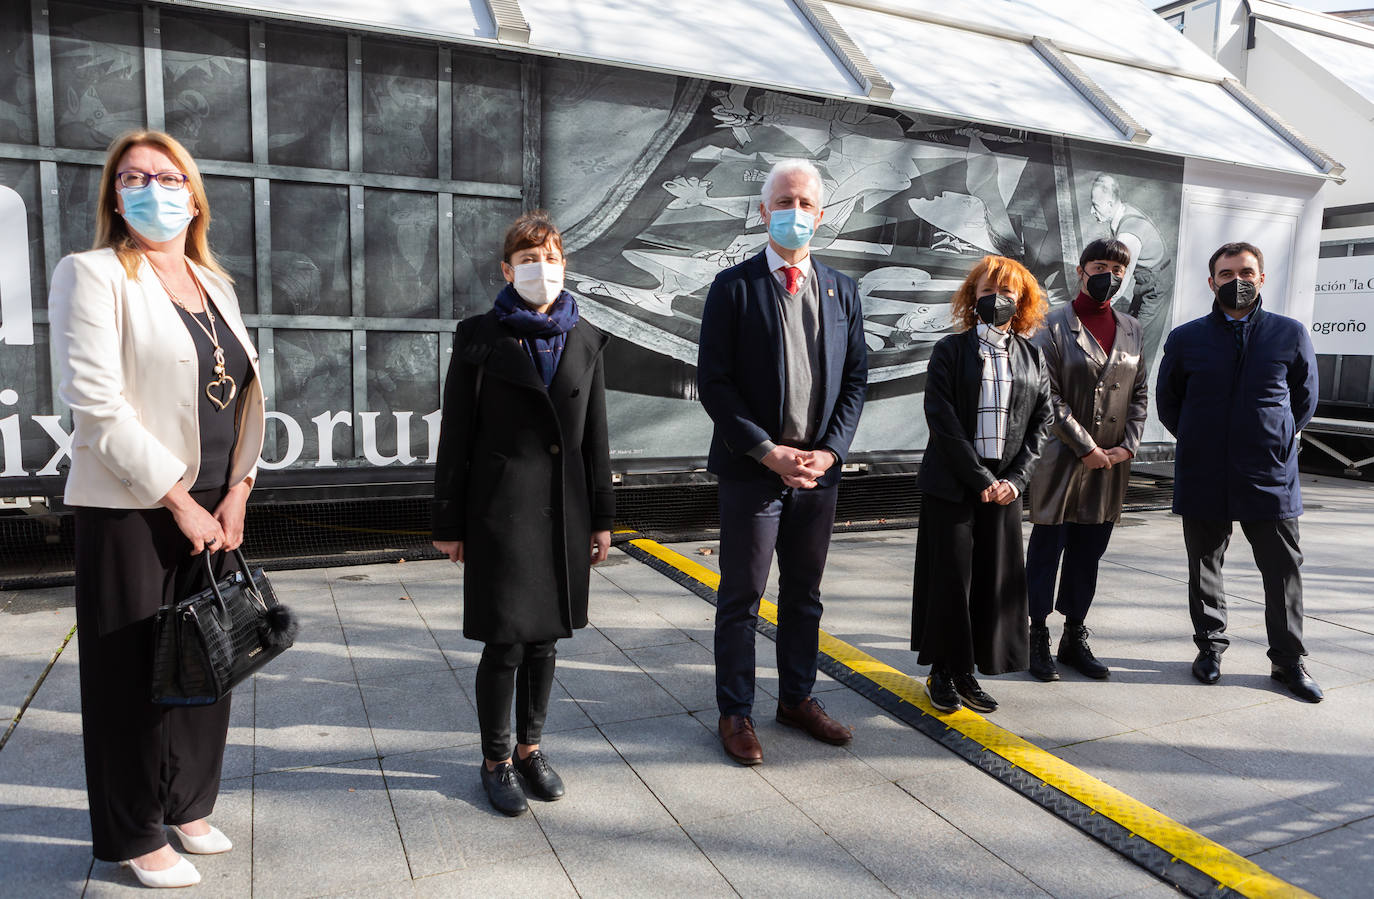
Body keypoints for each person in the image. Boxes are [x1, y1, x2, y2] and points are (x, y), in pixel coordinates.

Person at [48, 130, 265, 888]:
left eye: (168, 177)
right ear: (115, 195)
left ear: (194, 194)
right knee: (131, 673)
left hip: (214, 501)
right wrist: (177, 499)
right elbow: (96, 406)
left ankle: (186, 802)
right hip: (134, 506)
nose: (152, 188)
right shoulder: (94, 273)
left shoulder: (217, 284)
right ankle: (134, 830)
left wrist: (237, 490)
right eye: (133, 177)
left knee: (208, 656)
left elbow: (242, 396)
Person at [431, 210, 614, 815]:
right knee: (506, 641)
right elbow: (456, 433)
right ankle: (496, 758)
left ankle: (533, 749)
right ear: (508, 269)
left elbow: (596, 438)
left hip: (565, 510)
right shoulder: (479, 336)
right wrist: (449, 523)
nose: (543, 269)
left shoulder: (586, 337)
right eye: (530, 259)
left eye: (552, 257)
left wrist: (602, 516)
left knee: (545, 641)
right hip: (500, 512)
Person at [697, 158, 868, 765]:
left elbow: (855, 380)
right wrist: (769, 452)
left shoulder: (841, 289)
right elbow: (713, 383)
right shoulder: (733, 287)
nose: (796, 213)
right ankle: (735, 711)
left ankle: (797, 698)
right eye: (784, 202)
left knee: (805, 595)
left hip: (818, 475)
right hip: (754, 472)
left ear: (821, 215)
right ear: (764, 211)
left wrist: (828, 452)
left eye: (807, 204)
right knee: (741, 597)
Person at [1156, 242, 1322, 702]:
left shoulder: (1289, 333)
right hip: (1204, 469)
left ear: (1261, 278)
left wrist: (1275, 435)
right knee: (1205, 564)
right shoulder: (1186, 338)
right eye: (1226, 274)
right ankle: (1209, 649)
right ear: (1212, 282)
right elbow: (1169, 402)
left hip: (1268, 473)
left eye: (1246, 272)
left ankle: (1288, 662)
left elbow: (1304, 399)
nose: (1237, 281)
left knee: (1283, 568)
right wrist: (1198, 436)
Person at [911, 255, 1052, 714]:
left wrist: (1015, 479)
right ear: (973, 297)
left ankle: (967, 672)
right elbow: (942, 419)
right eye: (988, 291)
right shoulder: (949, 351)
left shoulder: (1033, 356)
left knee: (991, 583)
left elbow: (1042, 421)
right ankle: (941, 673)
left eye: (1007, 292)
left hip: (1005, 489)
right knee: (950, 581)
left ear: (1023, 300)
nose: (998, 299)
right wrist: (980, 478)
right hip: (954, 484)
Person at [1024, 239, 1149, 682]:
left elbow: (1139, 393)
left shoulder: (1131, 327)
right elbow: (1047, 393)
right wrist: (1087, 448)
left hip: (1112, 463)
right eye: (1100, 266)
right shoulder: (1052, 324)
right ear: (1081, 271)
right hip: (1062, 457)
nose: (1109, 275)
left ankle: (1073, 635)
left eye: (1118, 269)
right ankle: (1035, 633)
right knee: (1046, 550)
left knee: (1089, 553)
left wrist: (1126, 447)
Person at [1090, 174, 1171, 366]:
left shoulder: (1128, 236)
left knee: (1139, 340)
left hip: (1157, 286)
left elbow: (1121, 279)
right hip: (1146, 278)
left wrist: (1101, 306)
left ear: (1110, 204)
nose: (1091, 211)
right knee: (1132, 324)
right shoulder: (1121, 210)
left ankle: (1135, 389)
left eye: (1095, 205)